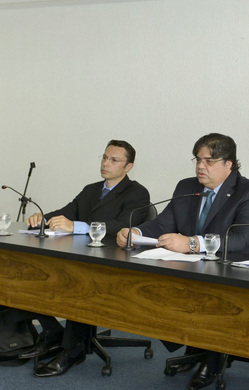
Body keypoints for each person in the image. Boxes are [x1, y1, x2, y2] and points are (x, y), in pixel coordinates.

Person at [116, 132, 249, 390]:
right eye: (198, 159)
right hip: (194, 266)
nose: (200, 166)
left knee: (209, 295)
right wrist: (136, 232)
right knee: (156, 288)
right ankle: (194, 344)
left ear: (228, 164)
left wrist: (192, 243)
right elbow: (163, 223)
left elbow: (241, 239)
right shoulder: (187, 187)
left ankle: (212, 359)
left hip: (235, 267)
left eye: (209, 161)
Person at [11, 140, 150, 377]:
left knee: (79, 284)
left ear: (128, 167)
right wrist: (42, 218)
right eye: (104, 157)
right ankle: (53, 331)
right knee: (35, 274)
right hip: (79, 255)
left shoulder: (137, 193)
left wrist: (76, 226)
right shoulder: (91, 189)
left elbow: (121, 226)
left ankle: (72, 350)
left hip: (111, 262)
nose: (106, 163)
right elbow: (67, 212)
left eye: (114, 160)